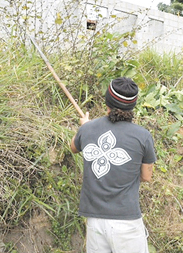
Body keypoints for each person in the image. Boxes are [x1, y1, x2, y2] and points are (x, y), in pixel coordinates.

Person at [70, 77, 156, 253]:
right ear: (133, 106)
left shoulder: (87, 129)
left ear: (107, 100)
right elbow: (146, 177)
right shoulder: (143, 136)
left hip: (95, 222)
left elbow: (73, 147)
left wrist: (85, 126)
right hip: (127, 223)